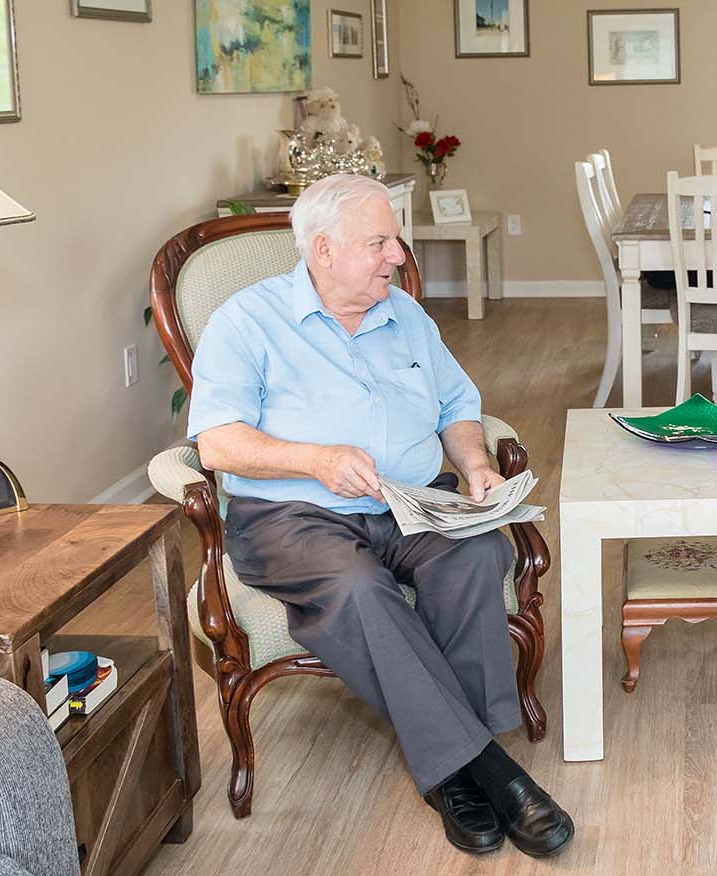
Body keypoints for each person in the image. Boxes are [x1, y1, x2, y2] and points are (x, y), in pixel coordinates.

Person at [187, 173, 573, 859]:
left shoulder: (407, 317)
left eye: (394, 239)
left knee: (476, 553)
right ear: (324, 250)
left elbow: (458, 406)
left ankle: (453, 767)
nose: (398, 255)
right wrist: (315, 458)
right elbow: (218, 442)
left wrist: (478, 465)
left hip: (409, 498)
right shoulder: (247, 321)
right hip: (293, 517)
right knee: (360, 590)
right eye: (381, 242)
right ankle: (488, 772)